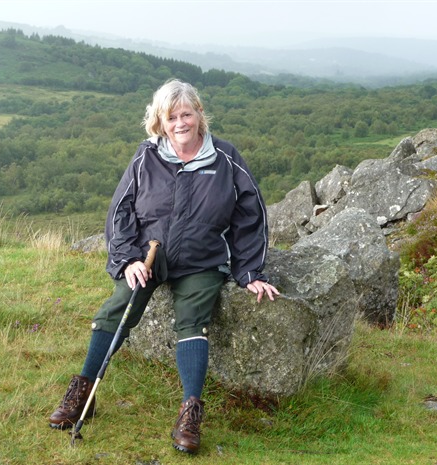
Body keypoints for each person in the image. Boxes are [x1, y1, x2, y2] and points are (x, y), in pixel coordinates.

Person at [48, 78, 279, 454]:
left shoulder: (225, 158)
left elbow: (250, 215)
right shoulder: (147, 156)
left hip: (202, 260)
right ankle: (83, 395)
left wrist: (250, 272)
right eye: (171, 117)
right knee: (118, 306)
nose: (180, 123)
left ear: (199, 115)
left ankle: (190, 412)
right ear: (160, 121)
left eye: (186, 114)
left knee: (193, 320)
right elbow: (120, 212)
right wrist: (128, 260)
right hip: (149, 256)